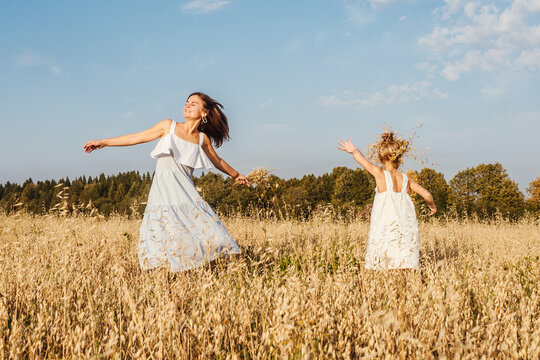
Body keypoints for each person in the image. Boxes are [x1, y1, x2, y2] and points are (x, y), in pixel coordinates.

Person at [84, 92, 249, 272]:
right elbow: (136, 138)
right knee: (161, 236)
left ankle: (210, 269)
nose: (187, 106)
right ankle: (165, 276)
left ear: (205, 112)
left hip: (186, 194)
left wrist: (236, 175)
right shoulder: (168, 126)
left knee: (213, 233)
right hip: (162, 193)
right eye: (186, 102)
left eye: (193, 104)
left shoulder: (202, 139)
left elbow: (217, 160)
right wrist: (105, 142)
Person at [337, 133, 436, 269]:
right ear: (399, 159)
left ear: (379, 158)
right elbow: (427, 194)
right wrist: (432, 206)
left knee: (383, 255)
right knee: (404, 255)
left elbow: (361, 159)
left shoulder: (379, 174)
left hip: (385, 225)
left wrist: (354, 150)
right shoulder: (406, 180)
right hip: (404, 227)